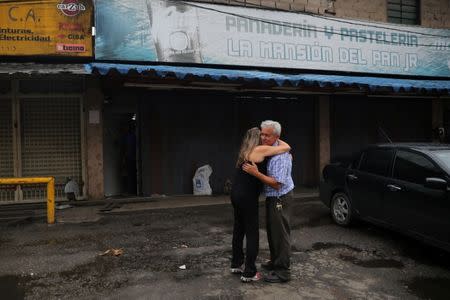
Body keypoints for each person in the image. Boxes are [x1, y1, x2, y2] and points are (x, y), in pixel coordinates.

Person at [230, 127, 291, 283]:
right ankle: (249, 272)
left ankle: (236, 264)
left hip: (236, 194)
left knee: (238, 229)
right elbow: (286, 147)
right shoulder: (260, 150)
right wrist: (276, 137)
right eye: (262, 135)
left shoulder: (245, 151)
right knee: (252, 234)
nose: (264, 138)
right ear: (258, 139)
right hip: (247, 197)